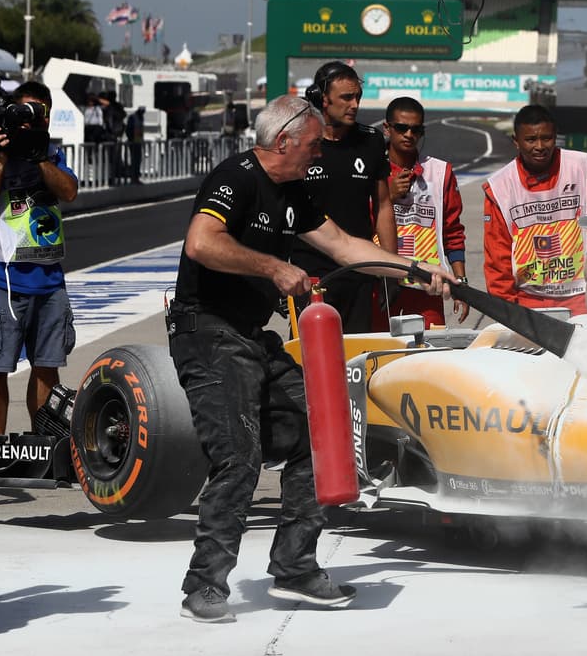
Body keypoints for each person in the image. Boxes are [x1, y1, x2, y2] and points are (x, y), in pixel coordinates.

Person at [167, 95, 451, 623]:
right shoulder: (237, 177)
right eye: (314, 145)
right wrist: (274, 268)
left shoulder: (295, 191)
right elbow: (201, 243)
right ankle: (204, 586)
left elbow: (344, 246)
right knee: (239, 455)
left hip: (251, 337)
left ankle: (295, 567)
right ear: (284, 141)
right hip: (207, 333)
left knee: (328, 427)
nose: (318, 154)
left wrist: (415, 270)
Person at [0, 81, 78, 437]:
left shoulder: (51, 154)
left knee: (47, 368)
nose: (29, 120)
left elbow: (68, 190)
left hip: (50, 279)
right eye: (22, 113)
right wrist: (2, 158)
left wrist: (38, 157)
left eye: (37, 113)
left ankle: (43, 445)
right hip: (1, 278)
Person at [290, 61, 395, 333]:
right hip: (310, 273)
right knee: (311, 360)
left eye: (358, 97)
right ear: (322, 99)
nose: (355, 105)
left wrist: (391, 271)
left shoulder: (371, 141)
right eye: (346, 98)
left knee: (356, 361)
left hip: (359, 270)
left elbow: (384, 205)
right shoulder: (300, 144)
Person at [482, 104, 587, 317]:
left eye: (546, 138)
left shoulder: (585, 169)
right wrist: (506, 311)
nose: (540, 146)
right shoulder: (500, 187)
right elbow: (498, 259)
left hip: (582, 297)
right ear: (516, 142)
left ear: (556, 137)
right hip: (528, 302)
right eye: (530, 140)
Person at [377, 96, 469, 328]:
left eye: (416, 129)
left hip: (427, 289)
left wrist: (461, 282)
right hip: (380, 288)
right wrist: (387, 196)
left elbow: (453, 233)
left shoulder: (440, 172)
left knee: (427, 359)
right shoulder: (370, 168)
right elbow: (353, 227)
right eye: (401, 128)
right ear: (387, 128)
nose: (409, 134)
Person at [125, 105, 146, 184]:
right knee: (134, 159)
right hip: (134, 141)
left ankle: (136, 177)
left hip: (138, 141)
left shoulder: (141, 118)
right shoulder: (133, 117)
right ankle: (133, 177)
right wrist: (131, 139)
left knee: (138, 159)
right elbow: (129, 129)